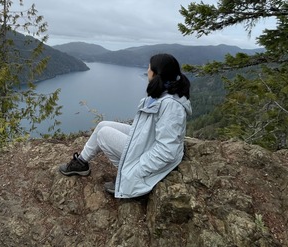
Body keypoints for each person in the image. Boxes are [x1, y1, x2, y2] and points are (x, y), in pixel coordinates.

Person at [59, 53, 192, 198]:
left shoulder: (171, 106)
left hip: (148, 152)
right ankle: (81, 162)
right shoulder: (164, 94)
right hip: (147, 142)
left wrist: (136, 171)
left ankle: (125, 175)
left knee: (104, 135)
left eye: (149, 67)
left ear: (155, 73)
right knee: (103, 125)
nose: (147, 70)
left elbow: (167, 150)